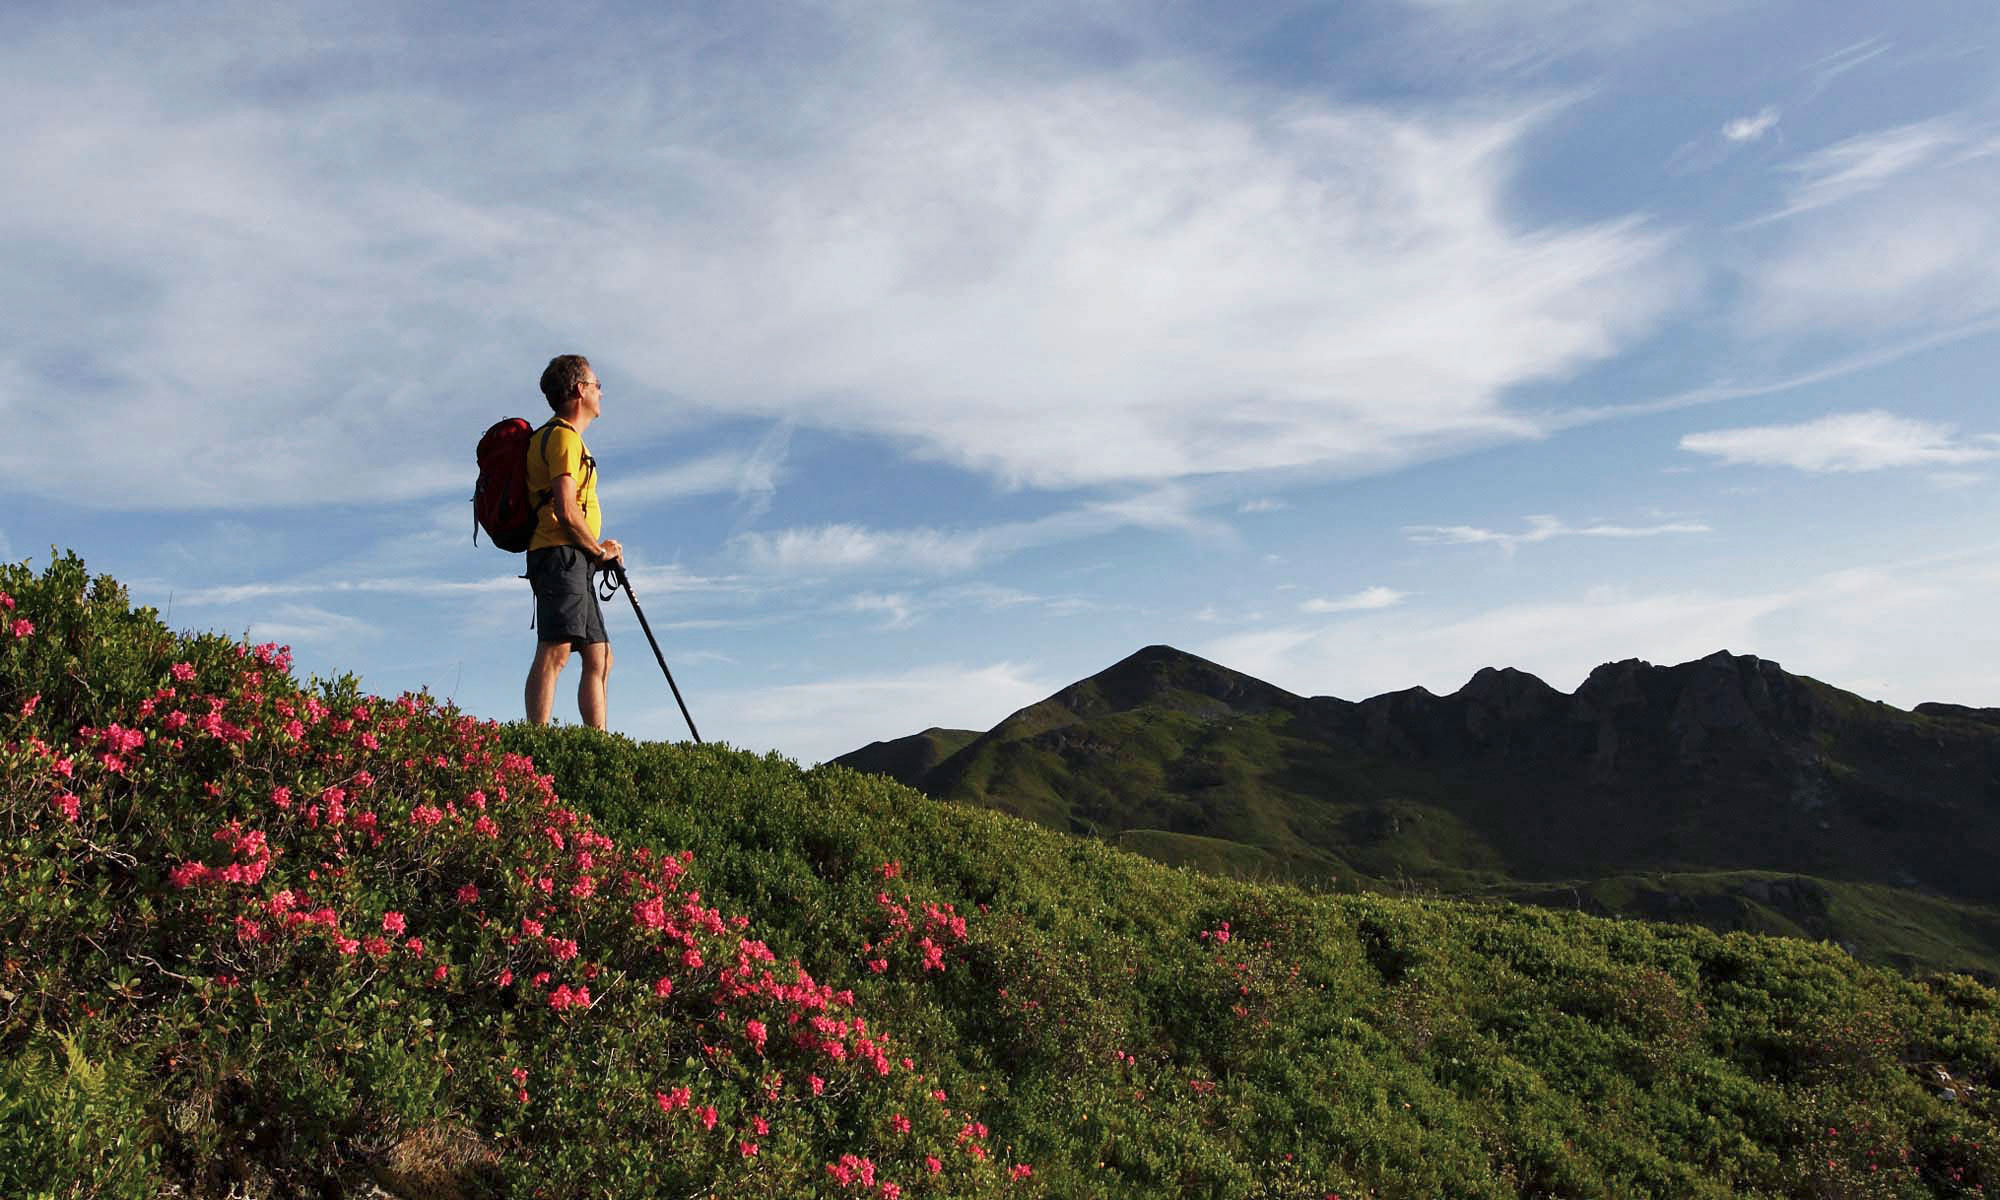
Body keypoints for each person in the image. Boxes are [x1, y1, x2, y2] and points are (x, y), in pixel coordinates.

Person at [523, 354, 623, 728]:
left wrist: (596, 554)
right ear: (580, 390)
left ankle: (597, 747)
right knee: (556, 650)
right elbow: (566, 509)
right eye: (597, 386)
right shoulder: (562, 437)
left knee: (600, 654)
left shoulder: (564, 438)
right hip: (557, 555)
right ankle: (536, 743)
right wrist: (598, 551)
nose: (600, 393)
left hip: (573, 558)